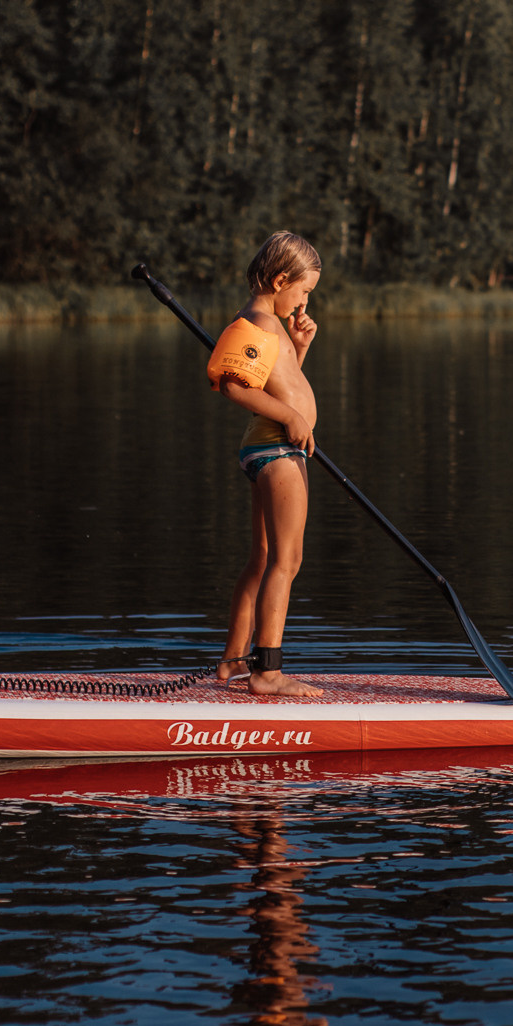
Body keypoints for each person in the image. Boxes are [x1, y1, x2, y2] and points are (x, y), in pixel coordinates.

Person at [207, 232, 324, 697]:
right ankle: (267, 672)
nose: (305, 299)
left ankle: (233, 661)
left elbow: (279, 380)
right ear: (280, 280)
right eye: (305, 290)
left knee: (261, 558)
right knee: (287, 560)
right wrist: (293, 417)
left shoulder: (269, 325)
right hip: (277, 451)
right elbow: (236, 386)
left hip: (268, 448)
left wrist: (298, 347)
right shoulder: (256, 320)